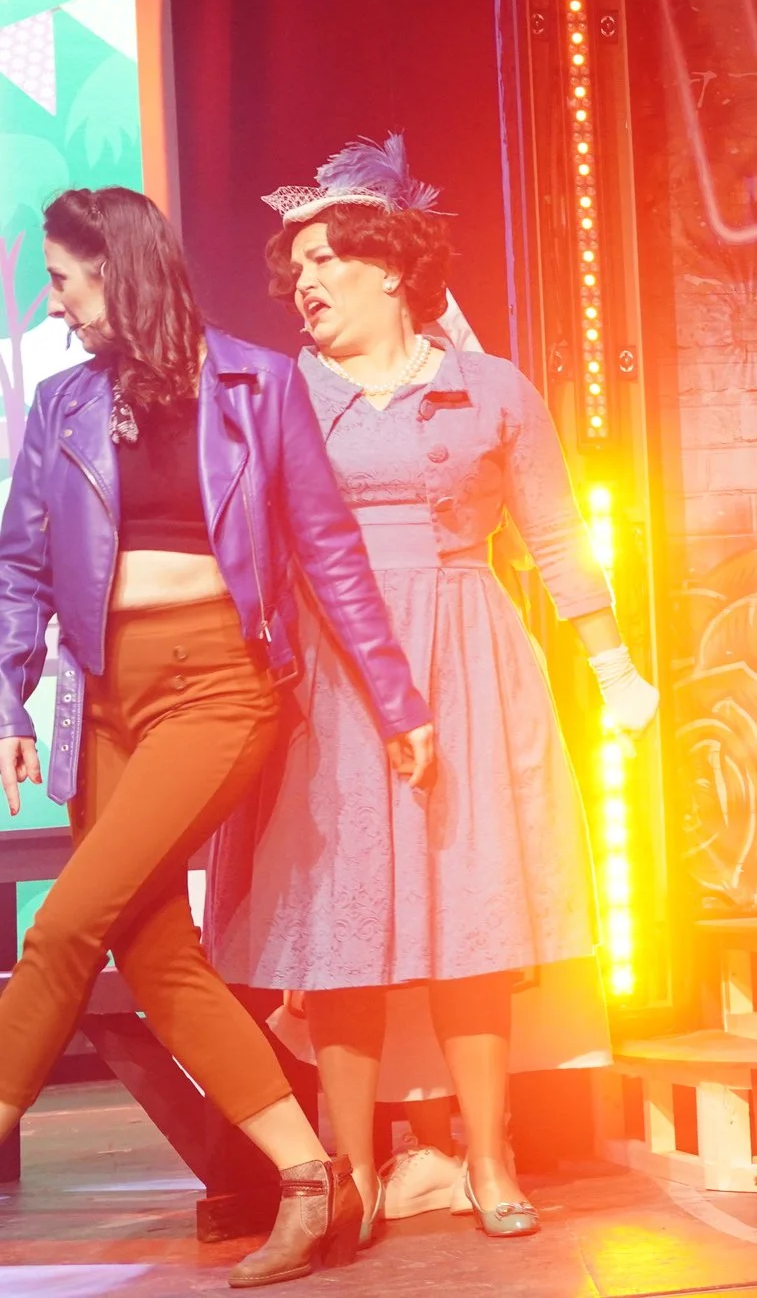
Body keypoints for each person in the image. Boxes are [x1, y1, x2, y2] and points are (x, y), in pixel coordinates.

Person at [206, 137, 659, 1245]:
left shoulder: (489, 387)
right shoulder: (283, 393)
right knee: (343, 918)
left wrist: (611, 664)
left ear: (392, 266)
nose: (304, 281)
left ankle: (488, 1155)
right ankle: (353, 1172)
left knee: (473, 908)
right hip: (338, 668)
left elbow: (555, 534)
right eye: (295, 266)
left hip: (467, 655)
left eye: (325, 258)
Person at [0, 186, 434, 1287]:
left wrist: (398, 699)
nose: (57, 304)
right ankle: (311, 1176)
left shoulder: (256, 384)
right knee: (153, 955)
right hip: (104, 693)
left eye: (65, 279)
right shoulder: (60, 402)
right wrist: (8, 699)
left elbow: (329, 550)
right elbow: (20, 565)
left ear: (120, 267)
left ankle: (307, 1179)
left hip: (216, 684)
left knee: (63, 929)